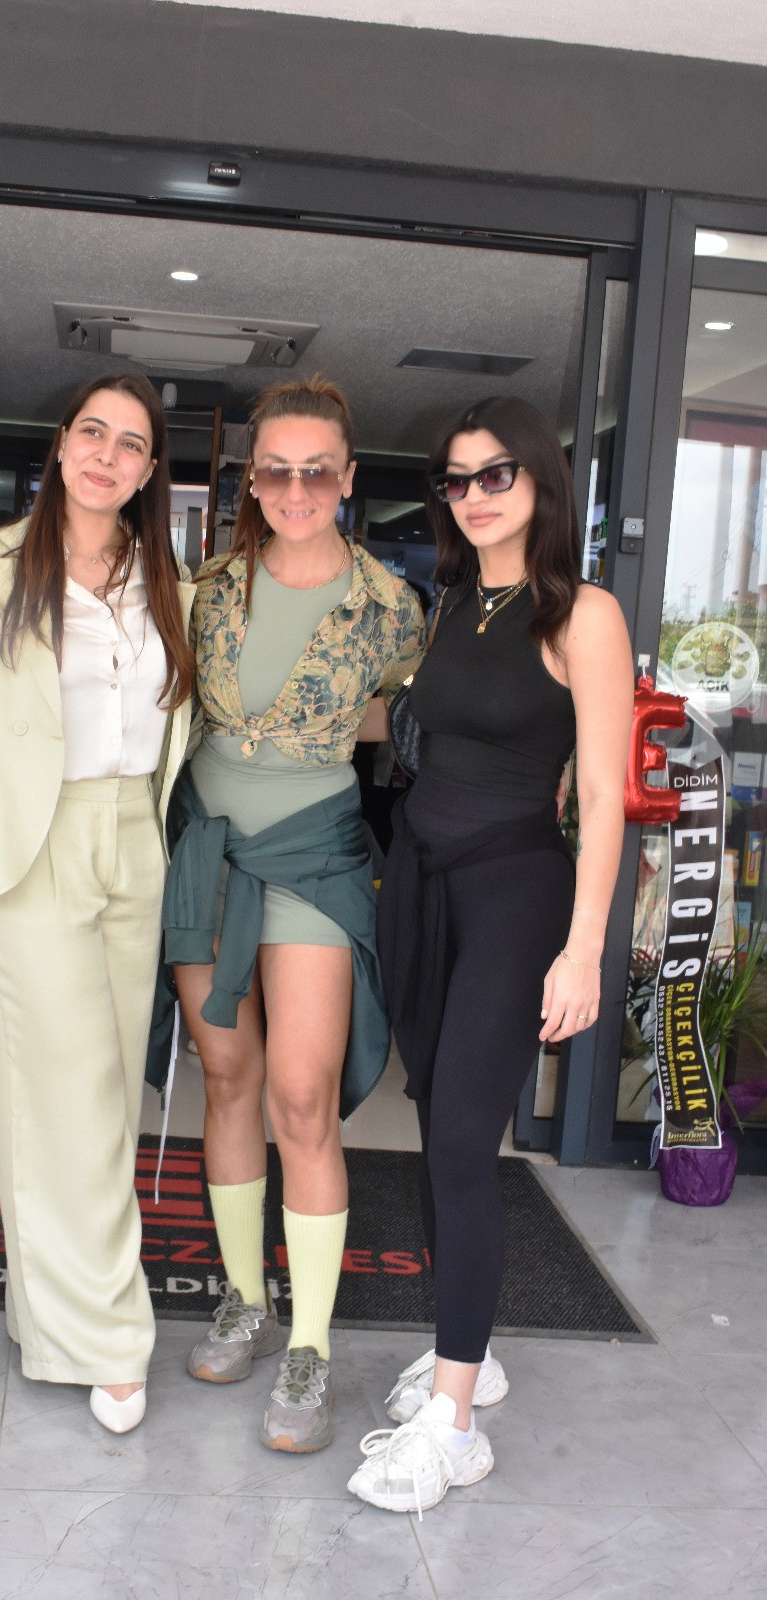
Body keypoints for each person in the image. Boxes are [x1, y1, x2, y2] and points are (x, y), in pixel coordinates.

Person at [347, 395, 633, 1514]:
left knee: (467, 1137)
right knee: (436, 1131)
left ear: (541, 480)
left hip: (516, 891)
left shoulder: (583, 614)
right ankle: (463, 1350)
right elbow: (422, 733)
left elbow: (601, 795)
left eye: (495, 474)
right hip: (423, 884)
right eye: (456, 479)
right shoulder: (455, 602)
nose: (472, 496)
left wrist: (583, 950)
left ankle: (454, 1425)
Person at [165, 374, 424, 1453]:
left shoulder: (393, 608)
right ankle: (245, 1299)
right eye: (276, 468)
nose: (297, 486)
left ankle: (309, 1346)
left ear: (347, 478)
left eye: (318, 469)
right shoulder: (205, 589)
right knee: (227, 1076)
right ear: (252, 479)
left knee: (301, 1096)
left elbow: (411, 718)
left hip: (314, 858)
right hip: (210, 854)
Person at [0, 372, 195, 1435]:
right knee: (75, 1093)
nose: (107, 454)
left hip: (133, 836)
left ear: (149, 471)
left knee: (89, 1093)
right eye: (92, 432)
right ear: (60, 444)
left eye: (130, 443)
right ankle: (108, 1337)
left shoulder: (166, 577)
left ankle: (45, 1315)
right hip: (36, 836)